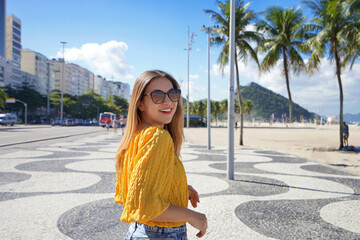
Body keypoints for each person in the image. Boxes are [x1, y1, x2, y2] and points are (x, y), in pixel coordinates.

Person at [115, 70, 207, 240]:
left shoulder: (136, 136)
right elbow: (146, 205)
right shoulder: (157, 137)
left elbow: (138, 187)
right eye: (158, 95)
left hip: (138, 231)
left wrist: (178, 187)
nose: (168, 101)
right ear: (140, 103)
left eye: (173, 94)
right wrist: (194, 217)